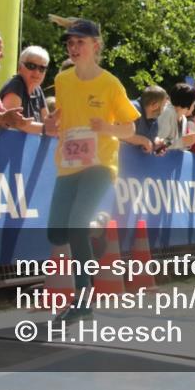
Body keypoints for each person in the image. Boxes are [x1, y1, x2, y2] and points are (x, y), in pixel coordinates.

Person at [43, 19, 138, 324]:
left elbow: (130, 128)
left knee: (74, 226)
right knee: (56, 232)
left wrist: (107, 127)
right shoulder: (63, 80)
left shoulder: (110, 84)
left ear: (96, 46)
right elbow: (59, 117)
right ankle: (96, 225)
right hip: (69, 163)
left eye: (80, 42)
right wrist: (50, 124)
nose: (73, 48)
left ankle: (82, 300)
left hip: (100, 163)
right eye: (70, 43)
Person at [0, 46, 50, 133]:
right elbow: (13, 123)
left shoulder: (37, 90)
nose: (37, 72)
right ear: (20, 67)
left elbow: (47, 121)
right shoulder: (16, 85)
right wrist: (46, 129)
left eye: (42, 68)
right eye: (31, 66)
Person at [125, 85, 168, 153]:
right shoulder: (132, 108)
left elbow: (151, 140)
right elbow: (118, 133)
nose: (164, 110)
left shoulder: (154, 120)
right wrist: (143, 140)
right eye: (164, 106)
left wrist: (157, 144)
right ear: (154, 106)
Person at [160, 82, 195, 150]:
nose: (194, 104)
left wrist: (188, 143)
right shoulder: (166, 113)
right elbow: (159, 144)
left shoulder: (184, 119)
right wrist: (183, 142)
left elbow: (179, 147)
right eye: (194, 101)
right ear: (188, 102)